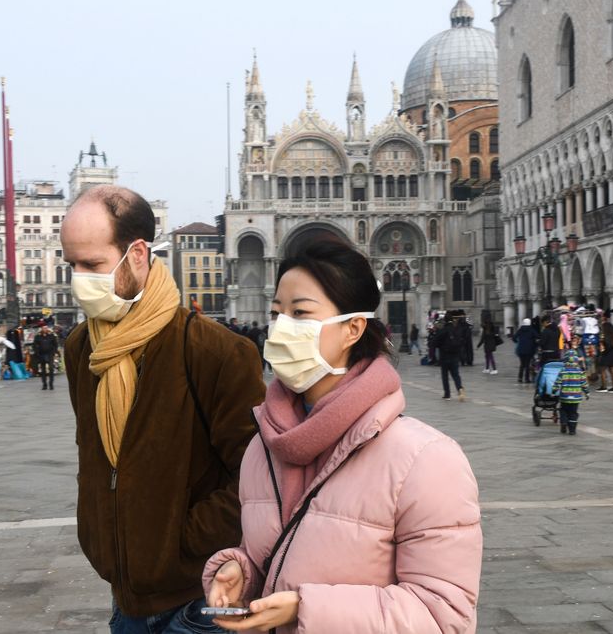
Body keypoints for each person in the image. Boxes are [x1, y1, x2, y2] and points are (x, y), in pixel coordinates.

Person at [203, 237, 481, 634]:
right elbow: (282, 554)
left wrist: (306, 609)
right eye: (277, 313)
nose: (281, 328)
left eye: (300, 313)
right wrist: (241, 571)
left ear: (353, 328)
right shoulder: (262, 447)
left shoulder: (427, 459)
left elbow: (444, 617)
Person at [61, 184, 264, 633]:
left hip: (204, 599)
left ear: (136, 254)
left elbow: (255, 478)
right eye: (71, 264)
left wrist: (179, 543)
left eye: (91, 264)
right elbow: (94, 459)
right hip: (125, 597)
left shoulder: (215, 351)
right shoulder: (80, 348)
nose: (78, 279)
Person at [552, 349, 589, 435]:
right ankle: (572, 430)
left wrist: (554, 390)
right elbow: (584, 383)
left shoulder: (563, 370)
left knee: (563, 410)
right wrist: (587, 392)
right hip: (576, 397)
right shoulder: (580, 371)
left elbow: (557, 382)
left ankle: (564, 422)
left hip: (564, 396)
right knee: (573, 413)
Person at [434, 316, 466, 401]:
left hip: (444, 356)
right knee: (456, 375)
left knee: (445, 376)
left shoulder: (443, 331)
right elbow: (461, 342)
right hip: (454, 356)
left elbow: (435, 342)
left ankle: (447, 394)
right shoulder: (456, 330)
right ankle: (460, 388)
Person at [596, 314, 613, 393]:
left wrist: (602, 352)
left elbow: (604, 347)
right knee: (612, 370)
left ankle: (604, 386)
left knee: (602, 370)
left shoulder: (604, 337)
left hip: (606, 354)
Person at [513, 318, 539, 383]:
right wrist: (534, 343)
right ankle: (527, 379)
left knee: (522, 364)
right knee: (527, 364)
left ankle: (520, 378)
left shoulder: (520, 330)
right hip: (529, 349)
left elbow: (514, 338)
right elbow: (537, 337)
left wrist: (518, 342)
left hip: (521, 349)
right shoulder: (532, 330)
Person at [33, 325, 59, 390]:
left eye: (46, 328)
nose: (45, 329)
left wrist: (54, 352)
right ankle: (44, 384)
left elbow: (55, 344)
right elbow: (34, 345)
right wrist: (37, 352)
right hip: (41, 354)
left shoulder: (51, 336)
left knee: (51, 368)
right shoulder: (38, 336)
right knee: (43, 370)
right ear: (41, 329)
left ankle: (51, 384)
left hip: (50, 354)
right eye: (44, 328)